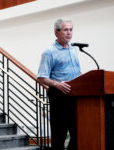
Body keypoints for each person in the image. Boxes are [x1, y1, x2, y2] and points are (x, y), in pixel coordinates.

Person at [37, 19, 81, 150]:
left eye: (71, 29)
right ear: (56, 32)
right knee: (59, 134)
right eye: (66, 30)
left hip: (75, 95)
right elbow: (41, 77)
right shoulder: (49, 52)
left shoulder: (73, 49)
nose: (69, 33)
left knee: (78, 132)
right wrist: (57, 84)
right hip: (59, 96)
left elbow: (77, 72)